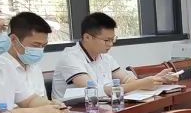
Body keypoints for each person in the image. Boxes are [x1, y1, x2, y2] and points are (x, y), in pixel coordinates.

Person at [0, 0, 68, 113]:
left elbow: (29, 100)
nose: (0, 35)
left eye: (2, 29)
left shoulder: (4, 64)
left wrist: (52, 106)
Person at [51, 12, 179, 99]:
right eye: (106, 40)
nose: (111, 44)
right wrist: (142, 83)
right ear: (87, 37)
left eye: (113, 39)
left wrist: (156, 79)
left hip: (102, 109)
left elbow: (128, 80)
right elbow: (93, 91)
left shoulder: (105, 57)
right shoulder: (70, 57)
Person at [6, 12, 53, 100]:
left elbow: (43, 99)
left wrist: (53, 105)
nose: (40, 50)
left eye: (44, 45)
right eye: (35, 45)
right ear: (14, 40)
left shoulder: (34, 66)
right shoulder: (1, 67)